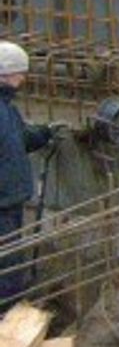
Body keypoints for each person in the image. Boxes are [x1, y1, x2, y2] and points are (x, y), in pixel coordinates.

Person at [0, 41, 53, 309]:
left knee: (10, 259)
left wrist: (45, 133)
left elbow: (17, 138)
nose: (23, 78)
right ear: (6, 74)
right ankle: (6, 317)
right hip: (2, 201)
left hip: (10, 200)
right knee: (6, 264)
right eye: (20, 72)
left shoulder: (6, 107)